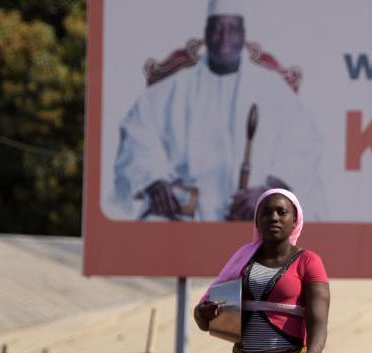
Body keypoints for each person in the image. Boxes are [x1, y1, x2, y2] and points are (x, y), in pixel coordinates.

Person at [113, 0, 324, 221]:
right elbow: (137, 132)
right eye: (217, 28)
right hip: (183, 216)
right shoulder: (174, 88)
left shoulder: (271, 89)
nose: (224, 36)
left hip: (254, 214)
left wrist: (269, 190)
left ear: (243, 34)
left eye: (232, 28)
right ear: (206, 33)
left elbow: (305, 143)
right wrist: (154, 179)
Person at [193, 188, 330, 353]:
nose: (274, 217)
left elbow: (319, 316)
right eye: (266, 212)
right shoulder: (241, 262)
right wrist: (204, 312)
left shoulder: (308, 261)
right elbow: (203, 319)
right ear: (256, 221)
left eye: (282, 212)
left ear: (295, 221)